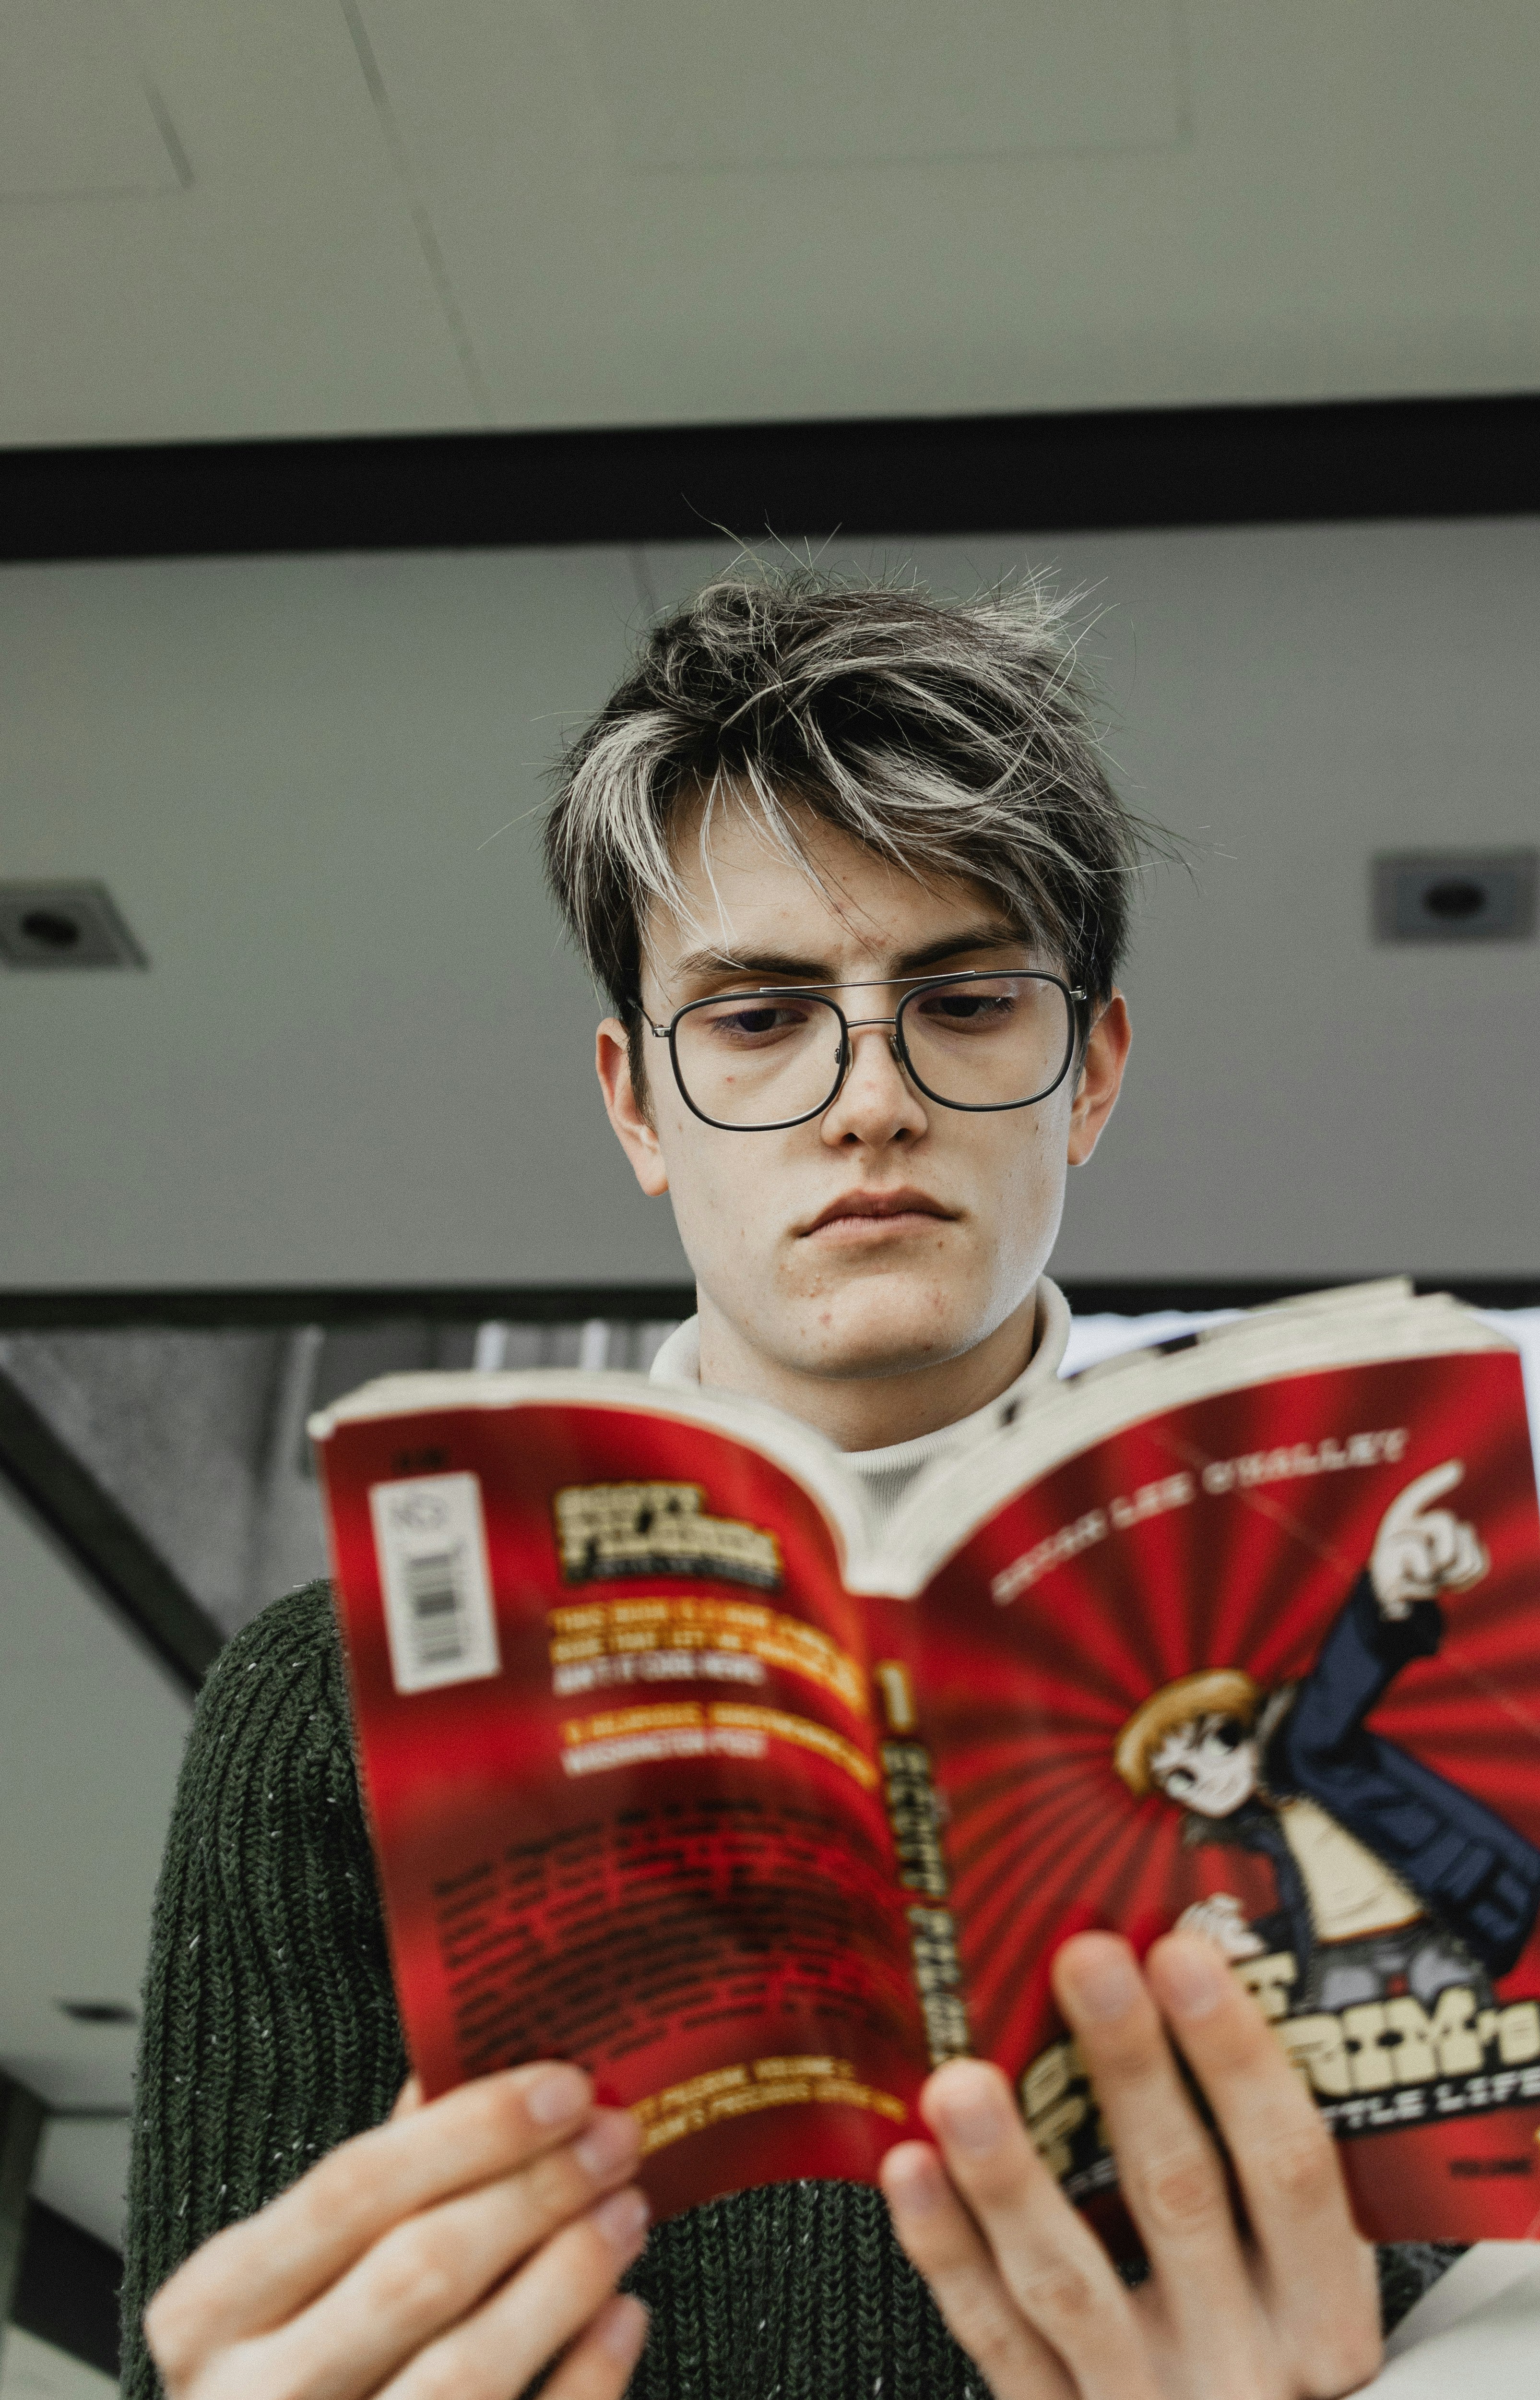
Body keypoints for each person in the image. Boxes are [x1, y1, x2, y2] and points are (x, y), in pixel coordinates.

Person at [126, 571, 1427, 2400]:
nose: (868, 1095)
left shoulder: (1313, 1640)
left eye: (964, 996)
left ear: (1088, 1074)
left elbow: (1437, 2289)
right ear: (637, 1103)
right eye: (756, 1017)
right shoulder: (331, 1693)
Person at [1121, 1462, 1540, 2016]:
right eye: (1179, 1776)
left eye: (1220, 1739)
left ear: (1254, 1725)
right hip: (1342, 1956)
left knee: (1472, 2028)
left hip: (1435, 1927)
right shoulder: (1263, 1828)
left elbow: (1329, 1701)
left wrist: (1383, 1594)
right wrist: (1249, 1944)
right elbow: (1312, 1901)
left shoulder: (1311, 1752)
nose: (1208, 1775)